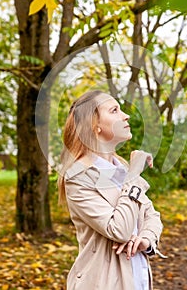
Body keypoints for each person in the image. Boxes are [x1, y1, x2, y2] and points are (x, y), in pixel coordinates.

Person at [58, 90, 163, 290]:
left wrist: (146, 240)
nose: (126, 115)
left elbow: (152, 216)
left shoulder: (121, 169)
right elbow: (120, 230)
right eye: (114, 110)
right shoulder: (78, 176)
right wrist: (133, 176)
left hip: (137, 278)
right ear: (94, 125)